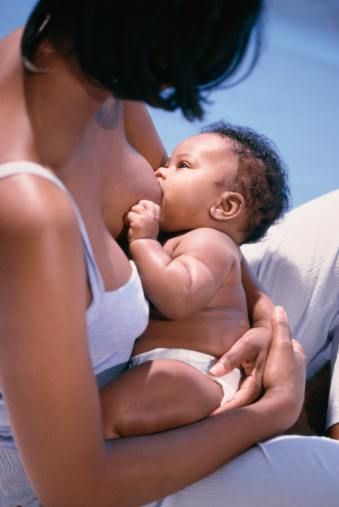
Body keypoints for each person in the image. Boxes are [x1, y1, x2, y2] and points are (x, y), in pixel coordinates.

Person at [0, 1, 338, 506]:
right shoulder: (28, 207)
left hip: (182, 350)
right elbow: (78, 487)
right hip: (80, 470)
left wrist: (265, 315)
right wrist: (271, 411)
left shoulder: (92, 63)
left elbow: (200, 220)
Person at [100, 122, 290, 438]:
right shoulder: (197, 242)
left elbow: (179, 297)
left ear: (225, 206)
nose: (160, 172)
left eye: (182, 166)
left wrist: (144, 242)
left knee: (101, 417)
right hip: (175, 370)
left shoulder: (209, 243)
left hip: (193, 372)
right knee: (105, 417)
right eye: (167, 163)